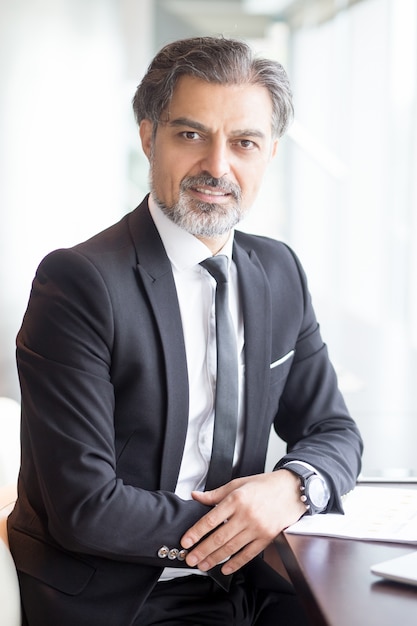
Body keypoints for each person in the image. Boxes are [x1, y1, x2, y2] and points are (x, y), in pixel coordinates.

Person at [8, 36, 363, 625]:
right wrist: (244, 523)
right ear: (149, 137)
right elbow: (86, 507)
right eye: (191, 134)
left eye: (243, 142)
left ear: (270, 152)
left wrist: (292, 489)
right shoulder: (77, 283)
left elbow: (333, 430)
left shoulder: (280, 271)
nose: (217, 167)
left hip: (254, 580)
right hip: (124, 595)